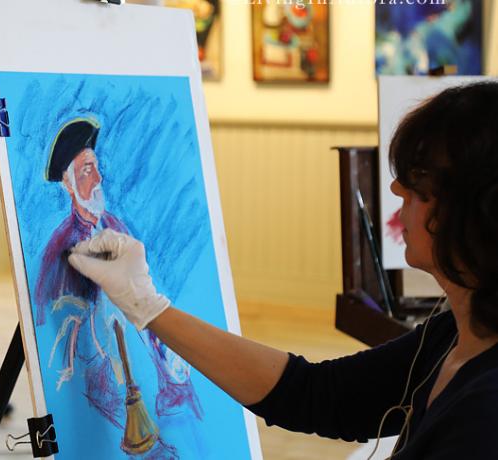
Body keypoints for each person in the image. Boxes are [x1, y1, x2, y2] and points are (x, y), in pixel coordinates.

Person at [67, 81, 498, 458]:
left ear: (479, 211)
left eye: (419, 179)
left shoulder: (485, 412)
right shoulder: (453, 337)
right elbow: (313, 395)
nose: (396, 187)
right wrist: (149, 306)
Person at [35, 117, 202, 435]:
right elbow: (61, 326)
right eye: (86, 171)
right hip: (103, 380)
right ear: (68, 183)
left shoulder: (115, 227)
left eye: (96, 166)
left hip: (147, 363)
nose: (98, 177)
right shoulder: (61, 247)